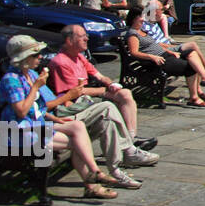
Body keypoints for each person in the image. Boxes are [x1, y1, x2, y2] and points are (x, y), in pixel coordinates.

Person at [0, 35, 118, 199]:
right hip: (19, 132)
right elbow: (21, 112)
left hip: (36, 125)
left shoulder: (31, 74)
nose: (40, 57)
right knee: (79, 143)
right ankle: (92, 183)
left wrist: (56, 119)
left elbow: (38, 107)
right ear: (24, 59)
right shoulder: (11, 80)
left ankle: (95, 173)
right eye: (35, 54)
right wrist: (36, 88)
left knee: (77, 127)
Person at [48, 24, 158, 156]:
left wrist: (110, 83)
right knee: (109, 106)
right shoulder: (61, 62)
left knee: (125, 93)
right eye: (83, 36)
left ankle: (131, 138)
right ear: (69, 41)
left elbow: (98, 75)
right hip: (75, 103)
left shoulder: (78, 56)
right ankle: (126, 147)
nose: (87, 39)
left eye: (86, 36)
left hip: (86, 95)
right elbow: (76, 92)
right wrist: (105, 91)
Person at [125, 7, 205, 107]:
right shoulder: (132, 34)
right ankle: (194, 97)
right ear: (134, 18)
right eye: (140, 17)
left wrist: (170, 51)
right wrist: (152, 57)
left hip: (164, 55)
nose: (143, 19)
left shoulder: (142, 31)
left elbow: (156, 45)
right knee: (190, 67)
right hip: (155, 61)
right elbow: (134, 52)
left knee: (191, 52)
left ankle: (203, 82)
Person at [139, 6, 205, 86]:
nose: (163, 12)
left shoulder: (154, 22)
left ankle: (200, 89)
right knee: (192, 47)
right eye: (161, 9)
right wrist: (170, 48)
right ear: (154, 11)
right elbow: (154, 45)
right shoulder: (146, 26)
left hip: (167, 46)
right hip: (164, 49)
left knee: (194, 55)